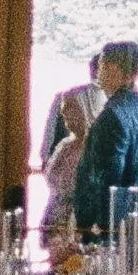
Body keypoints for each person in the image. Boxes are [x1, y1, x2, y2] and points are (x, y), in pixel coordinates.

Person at [72, 40, 138, 237]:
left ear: (112, 67)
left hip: (120, 232)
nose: (97, 71)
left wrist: (88, 230)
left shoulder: (114, 116)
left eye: (101, 64)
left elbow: (106, 185)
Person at [41, 85, 100, 237]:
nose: (63, 111)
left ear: (87, 108)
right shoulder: (65, 145)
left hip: (79, 228)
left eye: (71, 107)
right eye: (64, 106)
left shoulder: (97, 149)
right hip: (54, 226)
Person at [42, 51, 101, 169]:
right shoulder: (118, 102)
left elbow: (50, 132)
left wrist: (46, 158)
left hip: (68, 164)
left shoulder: (66, 96)